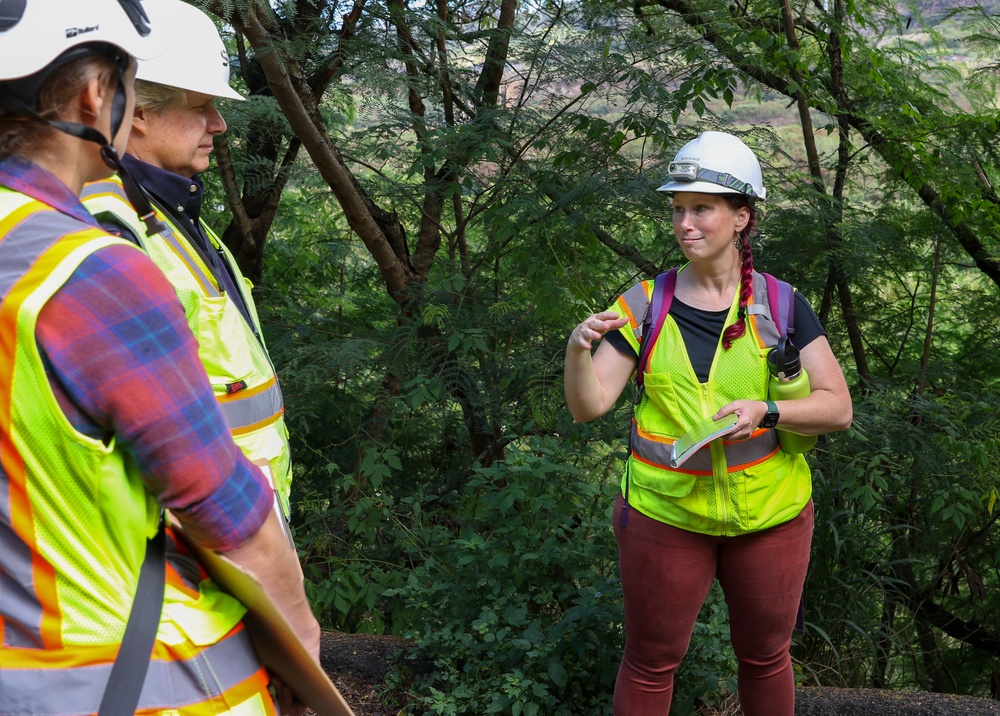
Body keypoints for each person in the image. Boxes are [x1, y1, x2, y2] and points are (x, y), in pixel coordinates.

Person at [0, 1, 318, 714]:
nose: (219, 126)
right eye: (200, 106)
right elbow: (215, 500)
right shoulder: (91, 264)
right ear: (101, 96)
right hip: (137, 667)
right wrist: (300, 643)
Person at [564, 131, 852, 715]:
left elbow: (837, 407)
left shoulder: (781, 304)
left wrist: (767, 411)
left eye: (702, 208)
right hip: (664, 513)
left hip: (770, 514)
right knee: (649, 661)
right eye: (677, 209)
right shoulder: (644, 305)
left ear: (741, 216)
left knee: (766, 656)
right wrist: (576, 350)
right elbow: (588, 406)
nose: (685, 223)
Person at [81, 1, 296, 525]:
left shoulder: (172, 217)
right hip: (201, 554)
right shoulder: (111, 229)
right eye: (201, 106)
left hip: (243, 532)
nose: (219, 125)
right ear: (137, 112)